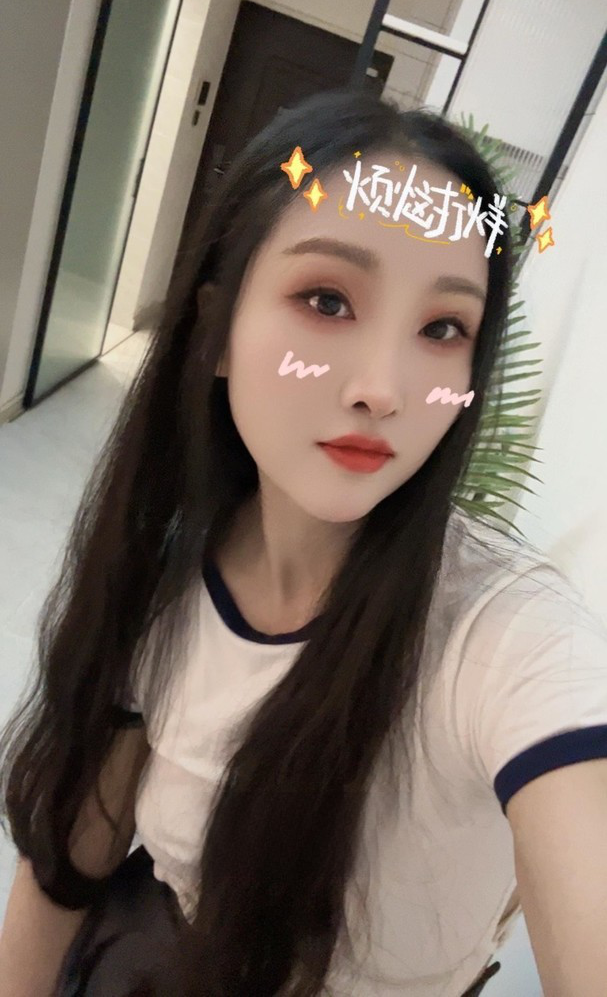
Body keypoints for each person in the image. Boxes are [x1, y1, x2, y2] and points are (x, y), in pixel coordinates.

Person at [0, 85, 606, 997]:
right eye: (326, 299)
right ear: (215, 333)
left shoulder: (504, 636)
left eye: (443, 328)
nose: (382, 388)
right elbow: (68, 860)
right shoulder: (162, 575)